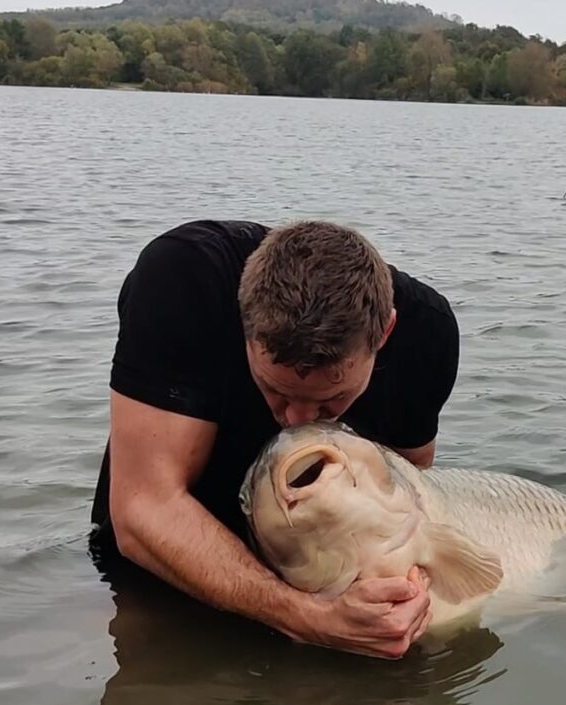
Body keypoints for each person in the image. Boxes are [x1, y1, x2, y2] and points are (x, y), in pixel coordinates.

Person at [88, 218, 460, 660]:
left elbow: (411, 491)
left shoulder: (427, 336)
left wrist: (397, 607)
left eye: (332, 399)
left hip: (319, 584)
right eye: (275, 391)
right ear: (242, 323)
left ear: (385, 334)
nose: (296, 420)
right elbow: (143, 508)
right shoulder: (184, 278)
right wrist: (307, 619)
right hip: (161, 570)